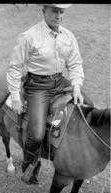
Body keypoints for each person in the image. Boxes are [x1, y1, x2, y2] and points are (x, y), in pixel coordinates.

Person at [7, 4, 86, 182]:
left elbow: (75, 64)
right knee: (37, 133)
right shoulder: (29, 36)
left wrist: (76, 87)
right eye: (54, 11)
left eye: (61, 11)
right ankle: (29, 167)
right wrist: (15, 96)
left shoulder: (68, 35)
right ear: (43, 11)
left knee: (89, 109)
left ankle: (80, 157)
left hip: (60, 82)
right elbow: (14, 67)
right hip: (38, 87)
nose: (58, 16)